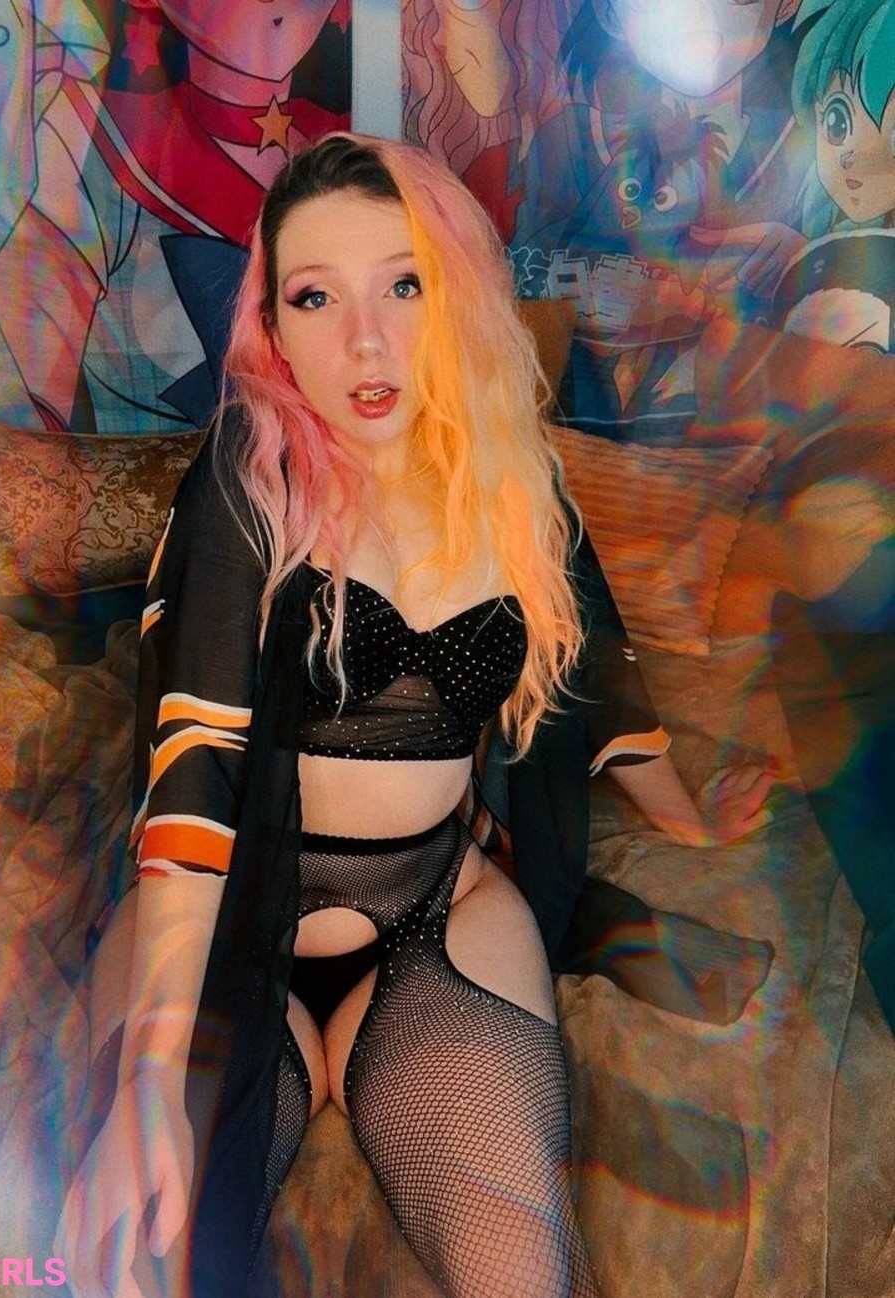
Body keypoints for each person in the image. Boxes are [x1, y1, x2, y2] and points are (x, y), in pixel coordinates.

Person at [58, 132, 772, 1298]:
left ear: (456, 294)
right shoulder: (250, 473)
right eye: (316, 297)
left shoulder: (519, 482)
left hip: (438, 918)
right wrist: (145, 1083)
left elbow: (594, 672)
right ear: (272, 329)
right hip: (231, 924)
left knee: (522, 1272)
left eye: (404, 283)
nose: (368, 340)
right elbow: (194, 765)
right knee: (127, 1265)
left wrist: (686, 816)